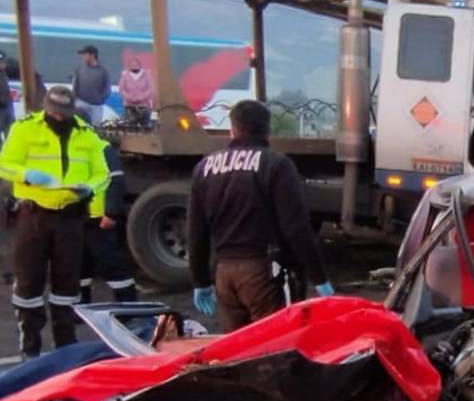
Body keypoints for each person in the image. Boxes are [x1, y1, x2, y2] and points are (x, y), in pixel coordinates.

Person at [187, 100, 333, 332]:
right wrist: (319, 278)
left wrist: (200, 281)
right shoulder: (276, 165)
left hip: (224, 275)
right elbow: (296, 228)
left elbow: (196, 232)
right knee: (274, 345)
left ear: (232, 129)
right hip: (263, 274)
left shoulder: (204, 167)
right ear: (267, 130)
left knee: (235, 347)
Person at [0, 87, 109, 358]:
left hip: (70, 218)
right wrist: (26, 175)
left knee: (67, 286)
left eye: (64, 114)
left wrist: (89, 187)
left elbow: (102, 174)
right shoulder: (25, 128)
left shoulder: (85, 133)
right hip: (34, 215)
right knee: (28, 285)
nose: (59, 118)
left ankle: (65, 349)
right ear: (46, 108)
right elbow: (4, 164)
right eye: (55, 113)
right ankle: (30, 350)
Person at [75, 109, 138, 304]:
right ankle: (81, 308)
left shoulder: (101, 148)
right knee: (79, 266)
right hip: (77, 218)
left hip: (98, 219)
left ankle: (128, 306)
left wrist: (110, 213)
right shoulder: (72, 149)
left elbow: (115, 182)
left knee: (112, 264)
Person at [71, 45, 111, 125]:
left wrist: (100, 99)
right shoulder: (79, 69)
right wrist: (75, 100)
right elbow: (75, 85)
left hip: (96, 106)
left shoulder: (103, 71)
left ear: (92, 55)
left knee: (95, 127)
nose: (83, 57)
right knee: (78, 125)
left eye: (85, 54)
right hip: (81, 103)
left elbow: (106, 88)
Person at [117, 57, 155, 127]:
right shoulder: (125, 75)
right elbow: (121, 89)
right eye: (132, 65)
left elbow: (151, 89)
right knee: (130, 127)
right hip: (129, 106)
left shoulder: (147, 75)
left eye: (136, 64)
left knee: (145, 127)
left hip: (144, 106)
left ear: (140, 65)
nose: (134, 66)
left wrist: (141, 98)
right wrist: (130, 98)